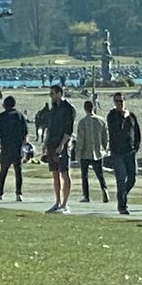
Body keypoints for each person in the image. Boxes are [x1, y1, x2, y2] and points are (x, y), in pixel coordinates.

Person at [106, 91, 141, 215]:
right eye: (117, 101)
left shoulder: (131, 116)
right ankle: (122, 205)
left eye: (121, 101)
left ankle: (122, 195)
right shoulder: (112, 115)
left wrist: (136, 146)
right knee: (121, 179)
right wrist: (123, 117)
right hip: (117, 152)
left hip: (130, 152)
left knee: (132, 177)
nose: (119, 103)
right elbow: (116, 129)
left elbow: (136, 131)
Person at [43, 84, 75, 213]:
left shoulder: (68, 109)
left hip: (62, 145)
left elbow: (69, 130)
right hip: (51, 144)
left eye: (52, 94)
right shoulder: (53, 109)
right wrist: (46, 143)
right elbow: (50, 128)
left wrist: (62, 145)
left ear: (59, 93)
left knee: (64, 173)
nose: (51, 96)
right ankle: (57, 202)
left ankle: (65, 204)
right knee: (55, 173)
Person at [0, 95, 28, 201]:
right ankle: (19, 193)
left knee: (3, 170)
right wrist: (24, 146)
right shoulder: (20, 115)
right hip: (17, 146)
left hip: (6, 147)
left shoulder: (2, 116)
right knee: (18, 171)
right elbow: (25, 132)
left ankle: (0, 192)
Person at [75, 100, 110, 203]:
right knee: (100, 174)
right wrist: (105, 148)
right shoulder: (101, 121)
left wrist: (78, 152)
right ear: (93, 107)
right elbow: (105, 137)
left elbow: (80, 139)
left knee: (84, 175)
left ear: (84, 109)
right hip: (98, 152)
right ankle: (104, 189)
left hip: (85, 152)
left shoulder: (82, 122)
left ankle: (86, 196)